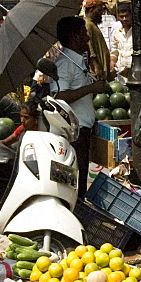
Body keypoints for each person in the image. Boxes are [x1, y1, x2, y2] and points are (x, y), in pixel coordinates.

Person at [52, 16, 106, 200]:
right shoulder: (64, 64)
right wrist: (91, 88)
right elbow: (58, 96)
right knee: (74, 181)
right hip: (73, 132)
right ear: (74, 37)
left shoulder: (76, 61)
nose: (88, 39)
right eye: (84, 34)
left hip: (82, 130)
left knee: (80, 178)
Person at [83, 0, 112, 79]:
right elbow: (89, 47)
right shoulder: (87, 24)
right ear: (92, 10)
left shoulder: (93, 24)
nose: (101, 13)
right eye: (99, 11)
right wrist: (96, 66)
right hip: (96, 71)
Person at [110, 2, 133, 75]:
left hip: (135, 71)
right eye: (121, 16)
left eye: (127, 16)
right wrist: (112, 62)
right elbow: (114, 51)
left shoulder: (139, 32)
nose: (124, 19)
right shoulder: (116, 33)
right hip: (121, 71)